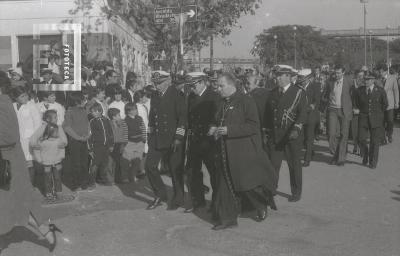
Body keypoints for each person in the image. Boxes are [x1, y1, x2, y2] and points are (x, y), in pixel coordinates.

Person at [0, 76, 61, 253]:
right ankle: (44, 229)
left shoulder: (3, 103)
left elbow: (8, 137)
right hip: (7, 160)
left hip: (9, 162)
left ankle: (44, 229)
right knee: (12, 203)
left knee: (16, 202)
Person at [210, 73, 277, 230]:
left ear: (232, 85)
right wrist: (213, 129)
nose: (218, 89)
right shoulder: (221, 102)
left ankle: (260, 205)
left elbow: (253, 126)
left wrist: (229, 130)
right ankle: (228, 219)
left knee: (247, 185)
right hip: (223, 150)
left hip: (242, 151)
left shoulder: (246, 100)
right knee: (224, 185)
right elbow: (217, 120)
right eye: (217, 86)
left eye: (221, 86)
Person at [264, 65, 307, 202]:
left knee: (294, 165)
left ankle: (296, 192)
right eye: (276, 75)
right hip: (276, 135)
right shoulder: (273, 92)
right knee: (273, 165)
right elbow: (268, 114)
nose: (276, 78)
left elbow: (303, 113)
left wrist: (297, 128)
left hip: (291, 135)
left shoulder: (298, 92)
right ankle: (271, 189)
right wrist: (265, 131)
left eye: (279, 76)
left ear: (288, 76)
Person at [145, 73, 187, 210]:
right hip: (157, 138)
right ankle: (160, 194)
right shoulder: (155, 95)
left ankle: (178, 198)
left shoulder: (177, 94)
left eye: (160, 83)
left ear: (168, 81)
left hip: (173, 139)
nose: (157, 86)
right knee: (149, 166)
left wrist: (178, 138)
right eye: (155, 83)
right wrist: (149, 136)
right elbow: (152, 116)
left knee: (175, 170)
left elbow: (182, 119)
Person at [185, 72, 220, 213]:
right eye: (190, 86)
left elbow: (217, 117)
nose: (191, 88)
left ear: (202, 82)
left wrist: (213, 126)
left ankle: (216, 204)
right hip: (194, 141)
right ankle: (198, 202)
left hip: (209, 142)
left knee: (214, 174)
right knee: (192, 172)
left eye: (193, 85)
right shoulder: (191, 97)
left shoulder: (214, 97)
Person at [30, 110, 68, 202]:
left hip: (57, 160)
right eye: (55, 117)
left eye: (56, 117)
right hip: (46, 161)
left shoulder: (59, 128)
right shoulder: (43, 128)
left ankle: (58, 192)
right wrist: (36, 146)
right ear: (47, 119)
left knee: (57, 177)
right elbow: (33, 139)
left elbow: (64, 141)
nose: (57, 119)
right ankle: (49, 193)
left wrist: (63, 145)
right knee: (47, 178)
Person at [353, 72, 388, 169]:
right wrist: (356, 109)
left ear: (373, 80)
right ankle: (366, 154)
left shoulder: (380, 91)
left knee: (374, 141)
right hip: (363, 118)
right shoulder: (359, 91)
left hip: (376, 119)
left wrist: (379, 115)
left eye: (368, 79)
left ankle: (373, 162)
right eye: (365, 79)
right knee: (360, 139)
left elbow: (385, 104)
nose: (366, 81)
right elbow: (355, 103)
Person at [10, 86, 42, 185]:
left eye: (26, 95)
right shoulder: (13, 106)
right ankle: (23, 184)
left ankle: (31, 185)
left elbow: (38, 124)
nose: (26, 98)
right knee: (21, 162)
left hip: (30, 139)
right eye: (22, 96)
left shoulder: (31, 106)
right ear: (15, 98)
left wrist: (35, 139)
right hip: (17, 139)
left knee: (30, 162)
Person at [322, 64, 354, 166]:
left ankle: (340, 159)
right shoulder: (330, 82)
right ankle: (335, 154)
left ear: (343, 72)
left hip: (344, 111)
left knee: (344, 135)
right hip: (333, 110)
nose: (336, 75)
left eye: (339, 73)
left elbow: (355, 94)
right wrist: (327, 98)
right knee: (332, 134)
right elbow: (324, 96)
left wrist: (354, 106)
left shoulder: (349, 81)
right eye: (335, 73)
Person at [63, 92, 91, 191]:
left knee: (84, 162)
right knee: (76, 163)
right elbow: (66, 127)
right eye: (83, 100)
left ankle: (84, 183)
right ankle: (75, 184)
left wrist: (88, 134)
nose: (85, 101)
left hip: (84, 140)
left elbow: (87, 123)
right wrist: (78, 138)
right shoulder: (69, 112)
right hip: (74, 141)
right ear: (76, 101)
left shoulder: (83, 110)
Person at [298, 69, 321, 167]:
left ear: (307, 78)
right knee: (302, 138)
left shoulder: (315, 86)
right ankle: (310, 151)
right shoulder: (298, 87)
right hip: (301, 116)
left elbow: (317, 100)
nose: (301, 80)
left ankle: (307, 159)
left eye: (302, 78)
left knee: (309, 138)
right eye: (300, 78)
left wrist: (312, 105)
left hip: (311, 116)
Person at [88, 103, 114, 186]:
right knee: (94, 165)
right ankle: (91, 182)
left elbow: (110, 133)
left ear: (100, 111)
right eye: (92, 112)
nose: (93, 113)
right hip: (97, 147)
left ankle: (102, 179)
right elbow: (90, 136)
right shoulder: (92, 122)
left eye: (95, 111)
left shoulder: (106, 120)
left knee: (104, 164)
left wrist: (111, 145)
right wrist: (90, 149)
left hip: (106, 147)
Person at [123, 103, 146, 182]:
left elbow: (143, 129)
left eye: (135, 109)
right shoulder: (125, 120)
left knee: (137, 161)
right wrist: (125, 143)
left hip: (140, 142)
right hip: (129, 143)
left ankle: (132, 176)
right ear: (128, 111)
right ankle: (125, 177)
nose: (135, 110)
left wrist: (144, 139)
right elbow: (125, 132)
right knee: (126, 161)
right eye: (133, 109)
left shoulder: (139, 118)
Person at [377, 65, 399, 144]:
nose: (380, 73)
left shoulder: (392, 78)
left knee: (390, 121)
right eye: (379, 72)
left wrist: (397, 102)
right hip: (381, 104)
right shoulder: (378, 79)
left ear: (386, 71)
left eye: (381, 72)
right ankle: (383, 138)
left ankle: (389, 134)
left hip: (390, 104)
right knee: (381, 121)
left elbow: (396, 91)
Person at [108, 108, 129, 183]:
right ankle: (110, 179)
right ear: (113, 117)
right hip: (112, 145)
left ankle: (119, 178)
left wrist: (125, 143)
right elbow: (108, 135)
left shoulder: (123, 122)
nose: (120, 116)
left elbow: (126, 133)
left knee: (119, 163)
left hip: (121, 144)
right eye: (118, 115)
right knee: (110, 163)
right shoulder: (109, 123)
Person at [134, 89, 151, 178]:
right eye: (144, 96)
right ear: (140, 98)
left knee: (145, 151)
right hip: (141, 132)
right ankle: (140, 170)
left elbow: (146, 119)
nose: (146, 98)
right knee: (140, 151)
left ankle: (142, 169)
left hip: (146, 131)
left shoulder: (144, 107)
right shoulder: (136, 108)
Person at [351, 69, 365, 155]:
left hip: (362, 112)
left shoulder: (364, 85)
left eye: (362, 76)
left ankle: (360, 147)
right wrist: (352, 108)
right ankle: (355, 145)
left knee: (362, 131)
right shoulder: (351, 85)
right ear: (356, 76)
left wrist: (361, 110)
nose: (361, 77)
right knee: (354, 131)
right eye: (359, 76)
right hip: (353, 111)